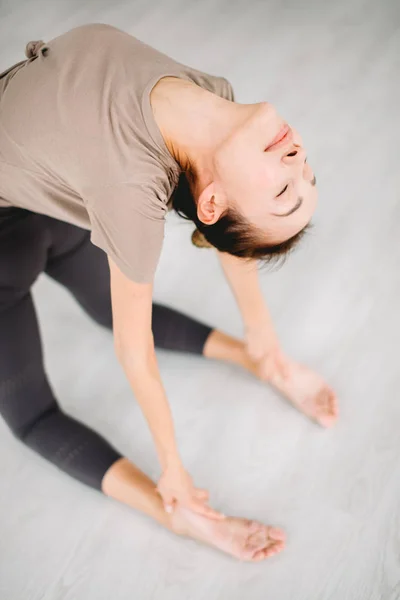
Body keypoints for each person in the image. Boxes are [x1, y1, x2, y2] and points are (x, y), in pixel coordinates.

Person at [0, 23, 338, 562]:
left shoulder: (131, 189)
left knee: (34, 416)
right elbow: (229, 234)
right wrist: (263, 338)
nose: (297, 161)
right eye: (306, 174)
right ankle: (251, 366)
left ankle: (175, 509)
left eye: (283, 190)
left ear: (210, 202)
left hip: (43, 211)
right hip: (44, 205)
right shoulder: (212, 96)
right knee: (101, 320)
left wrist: (174, 469)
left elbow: (135, 348)